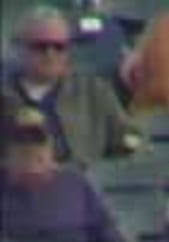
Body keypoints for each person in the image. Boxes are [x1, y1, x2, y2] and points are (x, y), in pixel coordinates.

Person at [12, 7, 134, 161]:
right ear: (21, 49)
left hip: (77, 180)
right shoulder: (5, 95)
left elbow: (130, 138)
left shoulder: (93, 91)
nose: (51, 54)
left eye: (59, 47)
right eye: (40, 47)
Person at [0, 99, 116, 242]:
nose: (31, 151)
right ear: (7, 154)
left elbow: (109, 237)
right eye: (22, 144)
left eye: (38, 144)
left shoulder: (77, 184)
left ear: (51, 151)